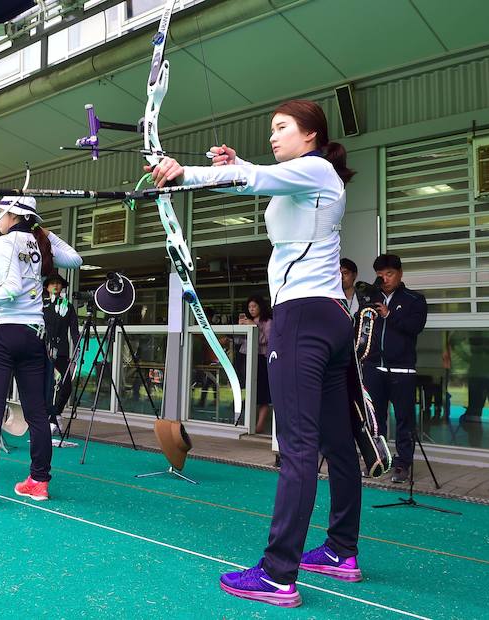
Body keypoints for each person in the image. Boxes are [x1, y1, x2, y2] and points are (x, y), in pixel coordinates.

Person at [149, 99, 358, 607]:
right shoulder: (306, 175)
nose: (273, 135)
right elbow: (260, 178)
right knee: (335, 440)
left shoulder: (314, 167)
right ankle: (340, 551)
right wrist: (232, 169)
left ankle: (279, 574)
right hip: (327, 318)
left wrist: (184, 171)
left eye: (282, 127)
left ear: (310, 135)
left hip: (303, 318)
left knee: (298, 444)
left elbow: (259, 178)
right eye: (272, 129)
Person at [0, 196, 82, 508]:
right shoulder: (37, 244)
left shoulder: (4, 243)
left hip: (1, 332)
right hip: (33, 335)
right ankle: (38, 481)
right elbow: (74, 259)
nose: (0, 219)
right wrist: (44, 232)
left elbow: (8, 288)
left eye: (3, 214)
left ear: (11, 215)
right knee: (37, 411)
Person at [362, 254, 427, 483]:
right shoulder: (371, 296)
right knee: (375, 419)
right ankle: (378, 461)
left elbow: (415, 327)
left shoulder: (414, 299)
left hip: (402, 370)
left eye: (389, 274)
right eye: (381, 275)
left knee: (403, 420)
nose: (385, 279)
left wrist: (389, 315)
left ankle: (402, 465)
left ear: (400, 273)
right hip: (373, 367)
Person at [42, 273, 78, 433]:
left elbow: (74, 330)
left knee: (66, 386)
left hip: (62, 351)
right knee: (47, 386)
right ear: (47, 286)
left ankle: (56, 414)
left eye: (59, 283)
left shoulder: (68, 306)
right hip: (43, 350)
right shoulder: (41, 305)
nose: (56, 286)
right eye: (52, 283)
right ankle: (46, 419)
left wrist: (78, 349)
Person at [238, 294, 272, 434]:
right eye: (249, 307)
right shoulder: (248, 320)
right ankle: (246, 422)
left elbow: (269, 339)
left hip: (261, 358)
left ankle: (260, 424)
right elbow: (240, 341)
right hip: (246, 356)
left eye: (254, 306)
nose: (251, 309)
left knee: (263, 393)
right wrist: (240, 327)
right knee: (249, 390)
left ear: (260, 307)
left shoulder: (267, 321)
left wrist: (254, 327)